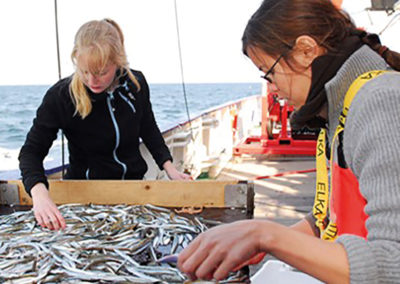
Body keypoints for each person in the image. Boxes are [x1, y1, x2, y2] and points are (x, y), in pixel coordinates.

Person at [178, 0, 400, 283]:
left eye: (269, 73)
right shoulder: (342, 106)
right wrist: (252, 243)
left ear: (306, 50)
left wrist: (265, 235)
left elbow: (393, 263)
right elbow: (329, 220)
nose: (272, 89)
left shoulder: (381, 102)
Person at [19, 19, 191, 231]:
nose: (92, 80)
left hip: (133, 190)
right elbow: (30, 152)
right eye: (84, 71)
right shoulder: (60, 97)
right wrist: (39, 194)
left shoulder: (136, 83)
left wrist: (169, 168)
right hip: (84, 197)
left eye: (101, 72)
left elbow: (148, 127)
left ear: (118, 62)